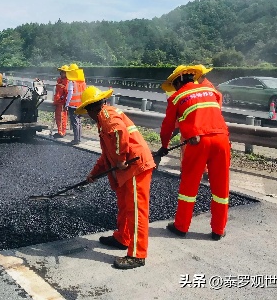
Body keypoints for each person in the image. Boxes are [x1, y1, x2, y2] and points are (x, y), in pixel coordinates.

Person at [76, 86, 156, 269]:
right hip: (126, 170)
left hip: (136, 166)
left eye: (87, 110)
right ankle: (123, 238)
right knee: (125, 205)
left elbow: (120, 132)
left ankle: (137, 255)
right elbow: (107, 156)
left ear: (91, 109)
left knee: (136, 210)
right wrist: (93, 174)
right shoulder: (103, 119)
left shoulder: (107, 116)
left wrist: (120, 159)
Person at [156, 65, 231, 241]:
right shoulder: (210, 90)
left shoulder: (176, 97)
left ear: (179, 80)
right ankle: (218, 230)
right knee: (221, 187)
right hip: (221, 139)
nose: (173, 88)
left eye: (174, 84)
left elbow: (167, 127)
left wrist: (164, 146)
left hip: (198, 142)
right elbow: (216, 107)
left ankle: (181, 227)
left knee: (189, 186)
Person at [64, 63, 86, 145]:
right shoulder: (82, 82)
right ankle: (79, 138)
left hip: (73, 105)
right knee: (79, 122)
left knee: (75, 122)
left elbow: (70, 94)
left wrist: (67, 104)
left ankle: (76, 140)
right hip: (80, 105)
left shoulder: (72, 82)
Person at [52, 65, 69, 139]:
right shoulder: (59, 81)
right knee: (58, 118)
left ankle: (62, 132)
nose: (62, 73)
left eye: (63, 72)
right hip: (58, 103)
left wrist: (63, 100)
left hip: (62, 103)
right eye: (61, 72)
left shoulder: (67, 82)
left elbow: (67, 93)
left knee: (62, 118)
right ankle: (59, 131)